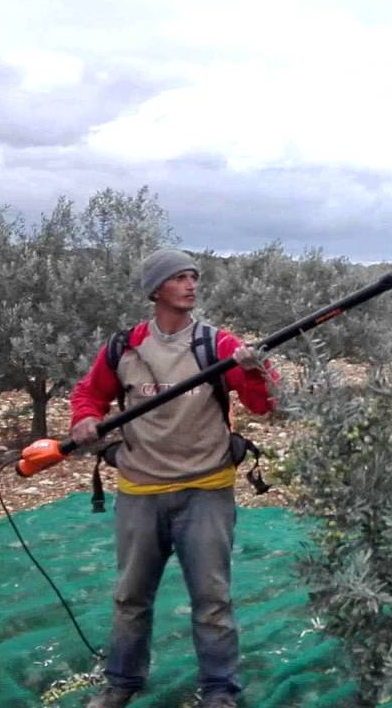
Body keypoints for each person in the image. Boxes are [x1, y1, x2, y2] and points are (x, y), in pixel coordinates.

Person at [70, 248, 279, 708]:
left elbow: (264, 404)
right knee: (130, 598)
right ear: (156, 289)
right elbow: (89, 395)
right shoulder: (124, 348)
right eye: (180, 278)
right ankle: (122, 683)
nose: (191, 285)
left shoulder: (218, 345)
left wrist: (254, 371)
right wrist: (85, 420)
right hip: (139, 490)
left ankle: (219, 690)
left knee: (212, 599)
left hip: (205, 488)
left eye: (193, 277)